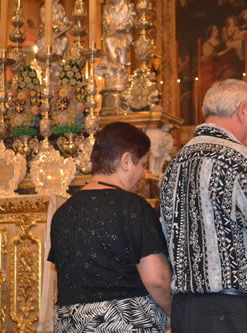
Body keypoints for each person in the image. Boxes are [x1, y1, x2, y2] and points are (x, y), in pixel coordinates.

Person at [160, 79, 247, 333]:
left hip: (185, 312)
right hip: (231, 313)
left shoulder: (174, 165)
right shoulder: (239, 161)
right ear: (242, 111)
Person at [49, 122, 172, 332]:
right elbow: (157, 281)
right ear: (125, 161)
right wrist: (175, 311)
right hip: (124, 323)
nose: (143, 173)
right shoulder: (132, 207)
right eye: (142, 163)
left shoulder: (62, 212)